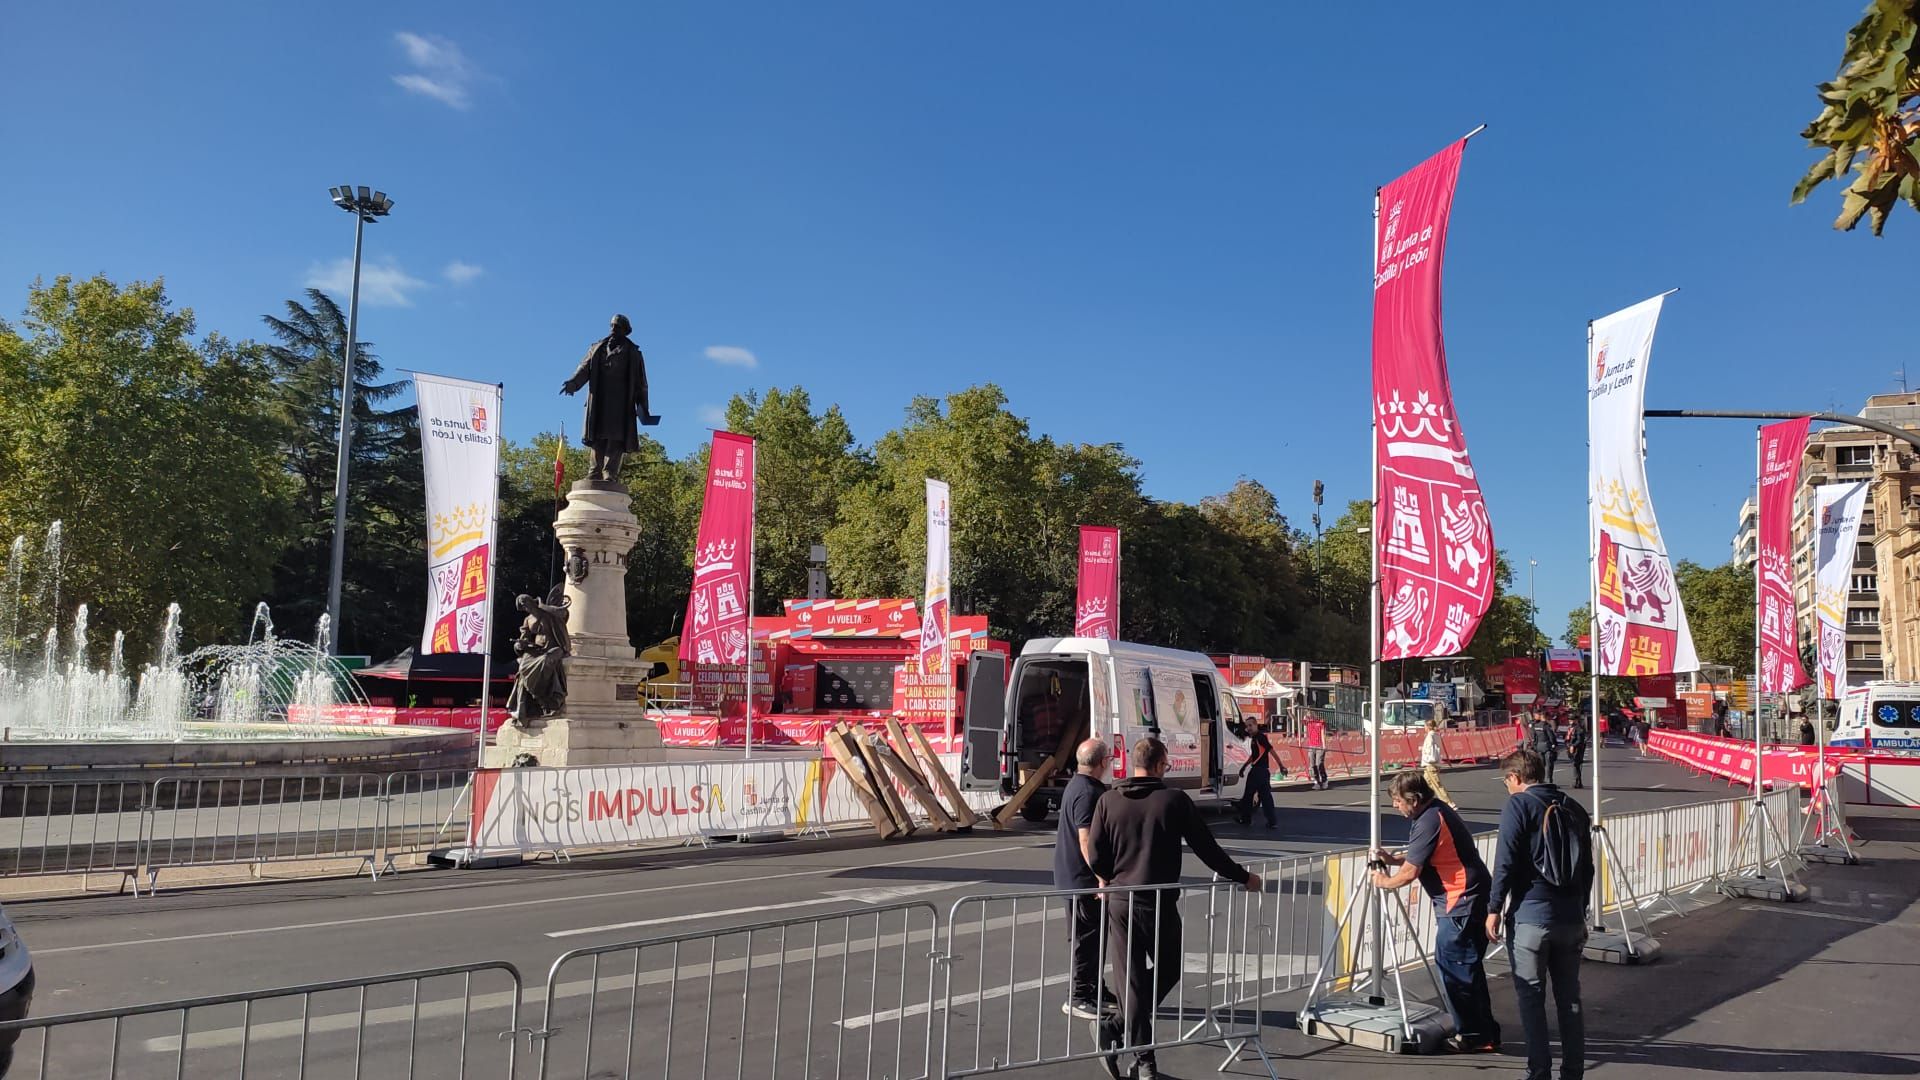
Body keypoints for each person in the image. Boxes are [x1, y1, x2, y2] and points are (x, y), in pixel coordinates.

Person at [1086, 737, 1262, 1080]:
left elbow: (1095, 855)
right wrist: (1243, 877)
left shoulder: (1108, 801)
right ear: (1160, 764)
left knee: (1137, 981)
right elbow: (1206, 848)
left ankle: (1116, 1026)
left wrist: (1110, 875)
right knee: (1164, 971)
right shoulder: (1174, 801)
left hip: (1122, 900)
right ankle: (1145, 1060)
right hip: (1159, 900)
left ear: (1134, 763)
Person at [1371, 771, 1499, 1054]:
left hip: (1461, 901)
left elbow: (1411, 872)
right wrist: (1393, 860)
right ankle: (1481, 1030)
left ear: (1413, 800)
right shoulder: (1433, 814)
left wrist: (1384, 881)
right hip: (1467, 898)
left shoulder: (1430, 820)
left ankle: (1475, 1034)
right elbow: (1423, 855)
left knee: (1457, 970)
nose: (1395, 806)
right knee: (1465, 968)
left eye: (1396, 800)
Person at [1487, 749, 1594, 1080]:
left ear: (1516, 778)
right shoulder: (1573, 807)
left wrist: (1493, 908)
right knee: (1569, 1000)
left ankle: (1539, 1072)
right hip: (1571, 917)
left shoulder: (1519, 805)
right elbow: (1587, 868)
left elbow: (1504, 861)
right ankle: (1573, 1071)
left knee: (1531, 999)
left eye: (1507, 781)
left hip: (1531, 915)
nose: (1507, 787)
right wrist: (1581, 907)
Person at [1053, 738, 1114, 1020]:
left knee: (1094, 937)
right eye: (1109, 759)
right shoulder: (1088, 792)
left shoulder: (1077, 784)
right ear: (1102, 762)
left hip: (1076, 877)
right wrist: (1101, 876)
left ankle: (1095, 988)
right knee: (1086, 939)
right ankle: (1078, 996)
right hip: (1082, 880)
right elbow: (1085, 838)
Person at [1234, 717, 1278, 828]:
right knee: (1265, 796)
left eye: (1250, 725)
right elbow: (1253, 756)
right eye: (1247, 726)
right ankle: (1272, 822)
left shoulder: (1260, 738)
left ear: (1256, 725)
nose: (1248, 728)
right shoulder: (1254, 739)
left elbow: (1271, 750)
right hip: (1262, 772)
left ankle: (1246, 819)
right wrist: (1244, 767)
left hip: (1258, 771)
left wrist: (1281, 766)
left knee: (1248, 795)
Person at [1420, 718, 1456, 808]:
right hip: (1434, 763)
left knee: (1437, 785)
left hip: (1430, 763)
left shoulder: (1430, 736)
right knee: (1426, 784)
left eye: (1424, 726)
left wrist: (1422, 750)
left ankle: (1449, 802)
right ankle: (1425, 801)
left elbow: (1429, 750)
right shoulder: (1436, 735)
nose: (1424, 728)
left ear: (1428, 727)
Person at [1530, 713, 1560, 783]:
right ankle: (1549, 780)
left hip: (1538, 747)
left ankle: (1540, 780)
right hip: (1547, 747)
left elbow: (1534, 736)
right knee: (1549, 764)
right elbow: (1551, 736)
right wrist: (1554, 744)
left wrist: (1534, 746)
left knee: (1541, 764)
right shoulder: (1546, 726)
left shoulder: (1536, 725)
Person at [1306, 712, 1330, 790]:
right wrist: (1290, 712)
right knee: (1312, 765)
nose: (1309, 716)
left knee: (1319, 763)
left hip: (1319, 746)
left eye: (1310, 714)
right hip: (1311, 746)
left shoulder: (1320, 722)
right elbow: (1296, 719)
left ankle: (1324, 780)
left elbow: (1323, 734)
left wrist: (1324, 745)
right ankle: (1316, 781)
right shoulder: (1308, 723)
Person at [1566, 718, 1589, 789]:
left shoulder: (1579, 729)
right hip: (1571, 747)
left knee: (1576, 764)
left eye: (1571, 720)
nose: (1570, 722)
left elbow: (1580, 740)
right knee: (1575, 765)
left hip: (1578, 749)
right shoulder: (1571, 728)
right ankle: (1578, 782)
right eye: (1569, 720)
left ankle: (1576, 782)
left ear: (1576, 720)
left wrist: (1573, 746)